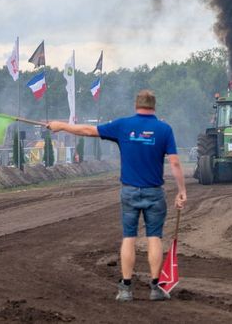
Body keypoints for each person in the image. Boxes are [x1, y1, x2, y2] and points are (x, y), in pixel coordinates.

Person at [46, 89, 187, 303]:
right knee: (154, 237)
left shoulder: (123, 125)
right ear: (154, 107)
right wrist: (181, 190)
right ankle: (155, 287)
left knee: (129, 237)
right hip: (154, 192)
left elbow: (86, 130)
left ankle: (126, 289)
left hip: (129, 191)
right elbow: (175, 163)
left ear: (136, 105)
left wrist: (61, 126)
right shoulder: (164, 129)